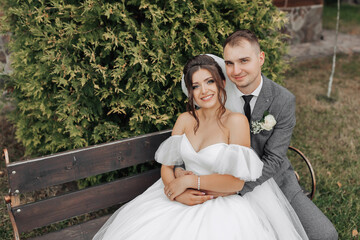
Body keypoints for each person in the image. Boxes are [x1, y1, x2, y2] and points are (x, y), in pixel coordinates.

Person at [93, 54, 308, 240]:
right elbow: (168, 166)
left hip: (221, 201)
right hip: (178, 194)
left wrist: (190, 181)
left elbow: (236, 182)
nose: (203, 91)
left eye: (209, 82)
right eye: (196, 86)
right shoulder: (185, 120)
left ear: (222, 83)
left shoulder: (236, 122)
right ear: (190, 91)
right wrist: (175, 193)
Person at [177, 30, 338, 240]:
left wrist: (234, 189)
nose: (236, 71)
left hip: (271, 181)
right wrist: (185, 175)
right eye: (229, 63)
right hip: (218, 180)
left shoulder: (282, 100)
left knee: (325, 235)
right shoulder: (213, 93)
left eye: (244, 60)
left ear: (260, 58)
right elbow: (191, 140)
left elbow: (273, 159)